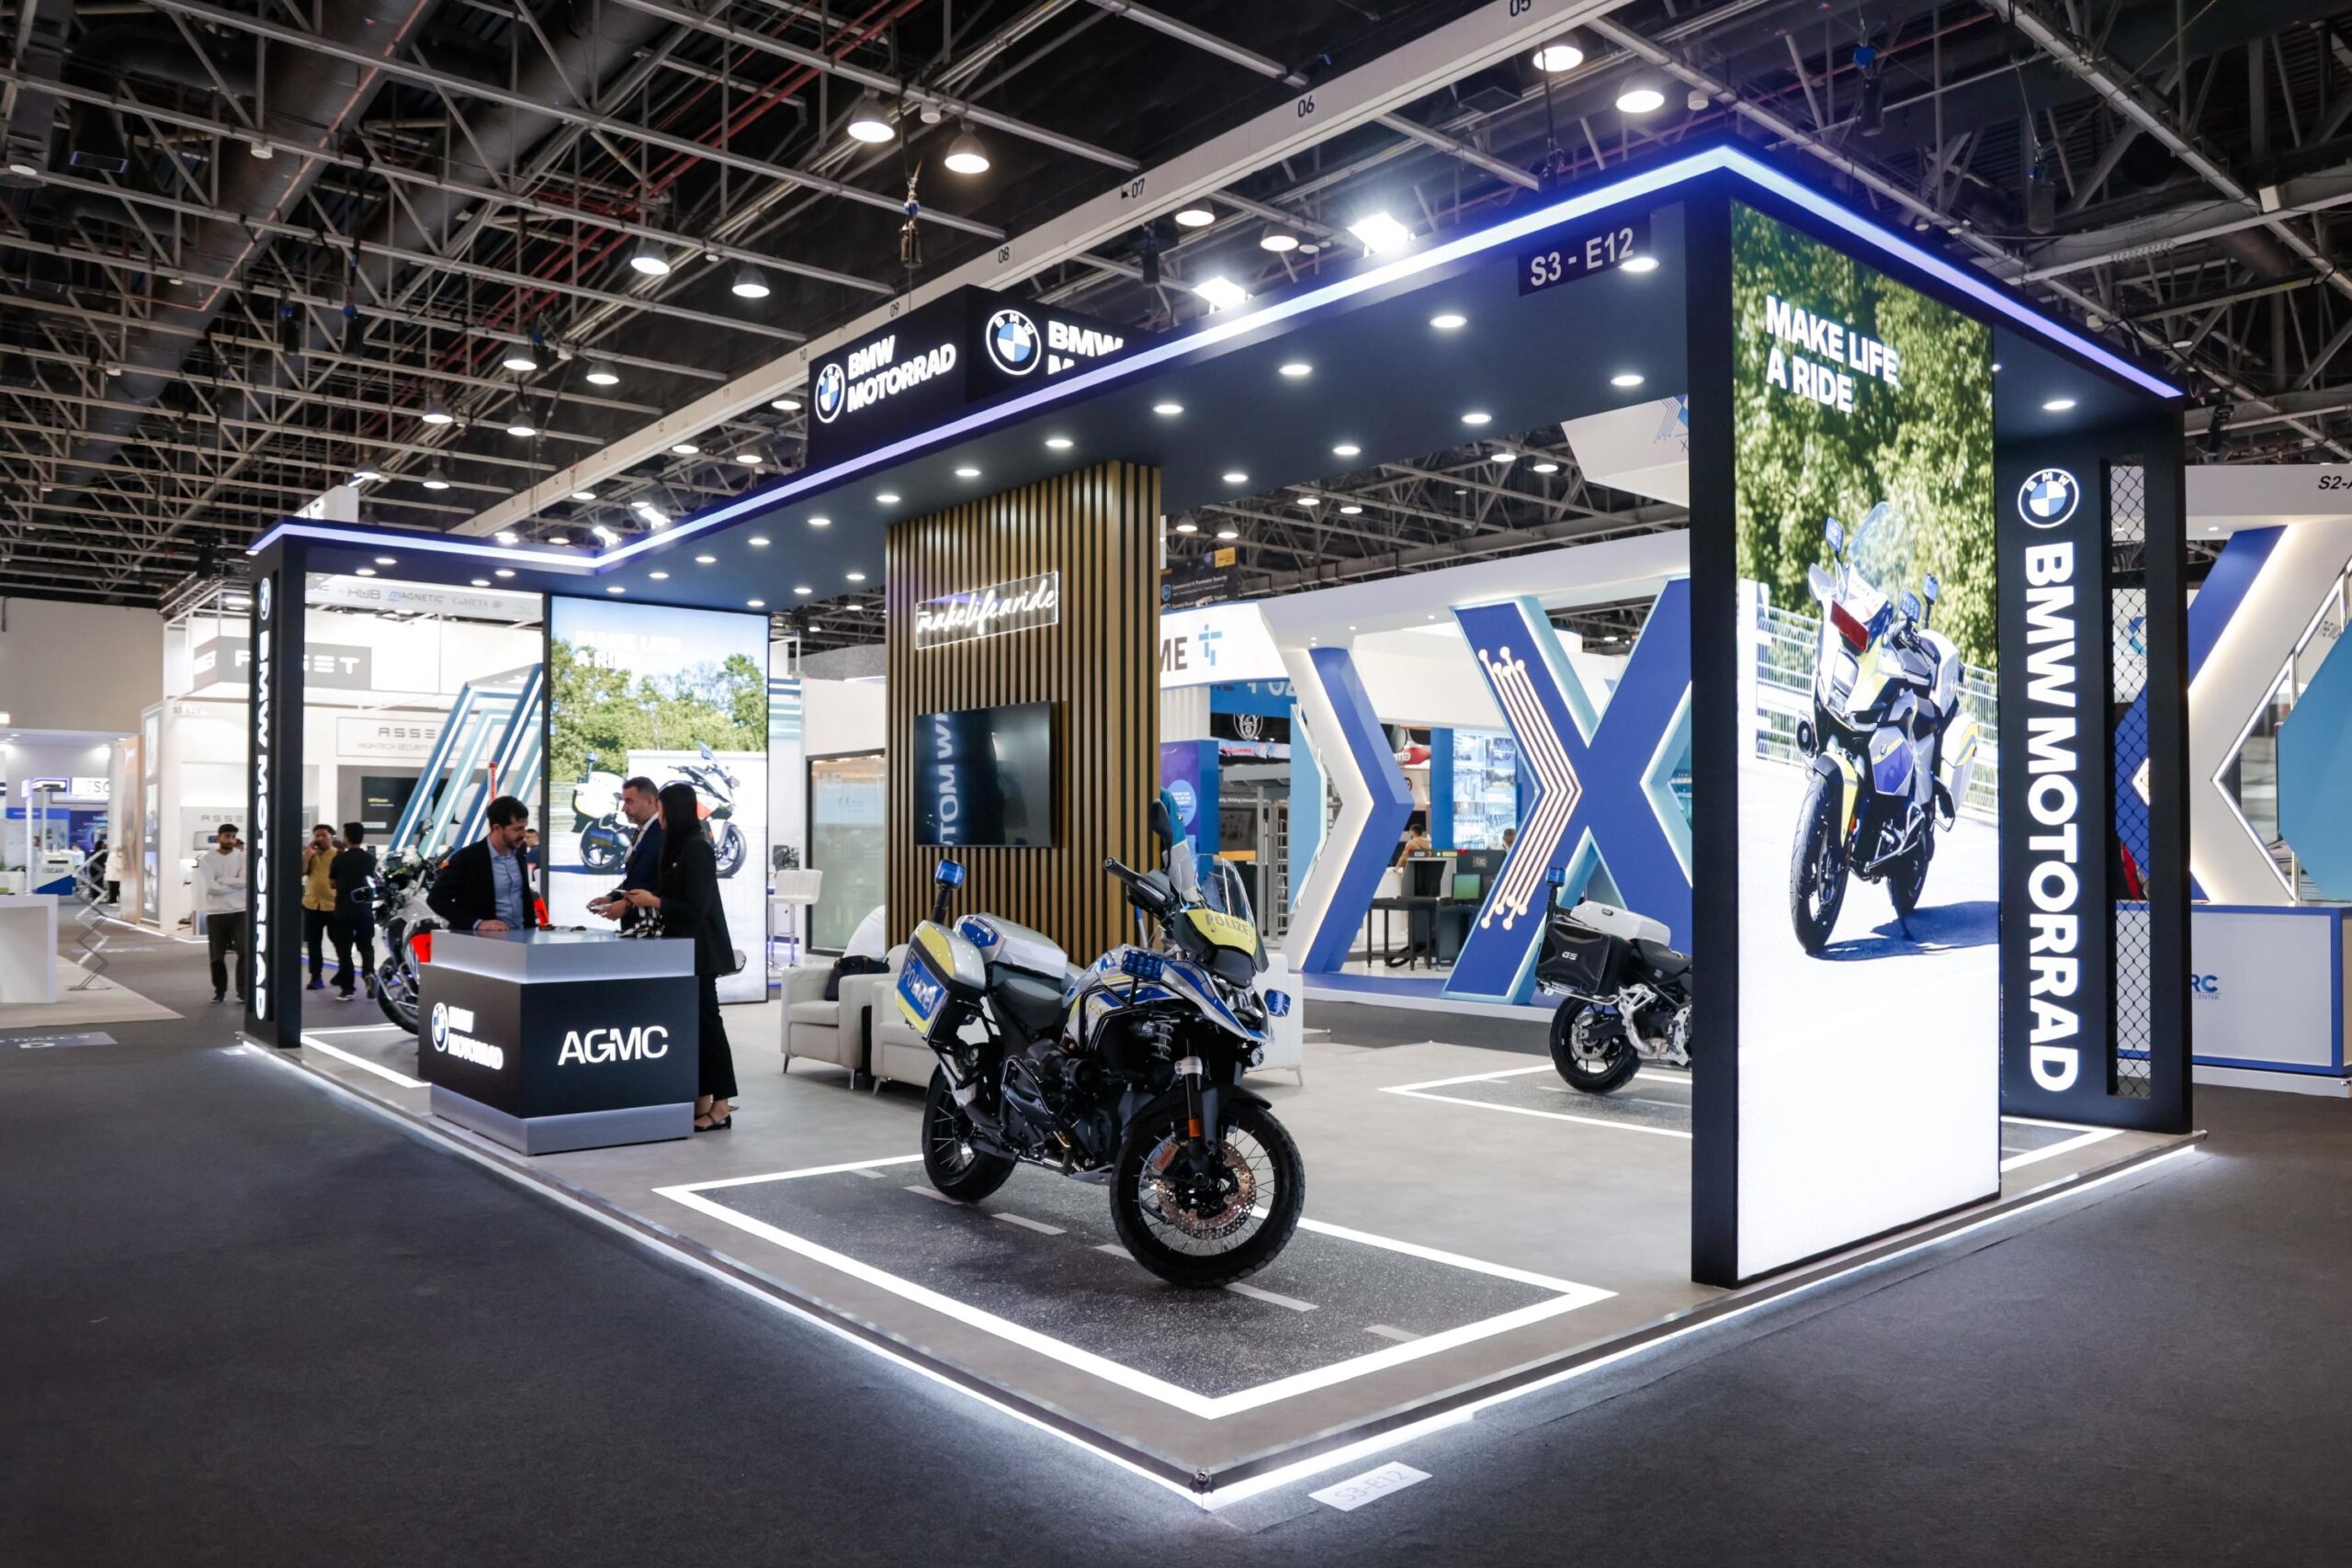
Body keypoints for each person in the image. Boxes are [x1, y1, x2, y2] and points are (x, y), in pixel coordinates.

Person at [625, 782, 738, 1132]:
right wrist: (630, 901)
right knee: (695, 1029)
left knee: (709, 1027)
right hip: (682, 952)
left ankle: (721, 1106)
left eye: (661, 809)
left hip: (701, 953)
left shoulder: (697, 849)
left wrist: (655, 902)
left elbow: (696, 907)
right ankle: (702, 1098)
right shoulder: (677, 847)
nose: (658, 815)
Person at [428, 795, 537, 933]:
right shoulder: (467, 858)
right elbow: (437, 899)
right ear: (497, 828)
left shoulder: (520, 850)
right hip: (483, 943)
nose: (523, 834)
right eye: (517, 829)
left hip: (522, 938)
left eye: (524, 828)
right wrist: (477, 923)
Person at [587, 777, 663, 930]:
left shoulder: (662, 833)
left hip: (652, 928)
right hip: (638, 928)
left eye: (629, 801)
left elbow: (659, 883)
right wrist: (611, 897)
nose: (623, 809)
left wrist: (627, 905)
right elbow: (636, 878)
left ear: (649, 801)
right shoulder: (643, 831)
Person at [193, 823, 247, 1003]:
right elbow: (211, 887)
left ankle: (244, 991)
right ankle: (220, 990)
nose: (230, 840)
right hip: (216, 912)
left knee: (245, 952)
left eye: (232, 836)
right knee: (217, 955)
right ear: (218, 838)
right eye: (226, 836)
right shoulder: (207, 859)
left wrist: (223, 881)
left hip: (240, 911)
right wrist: (234, 883)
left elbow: (246, 881)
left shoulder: (243, 857)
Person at [328, 822, 379, 1002]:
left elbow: (332, 883)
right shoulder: (371, 860)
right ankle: (369, 974)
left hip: (343, 910)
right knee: (366, 947)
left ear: (346, 838)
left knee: (344, 951)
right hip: (364, 910)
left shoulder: (339, 859)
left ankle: (348, 989)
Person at [300, 823, 337, 989]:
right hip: (312, 905)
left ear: (331, 837)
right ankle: (316, 977)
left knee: (339, 942)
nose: (320, 838)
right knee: (314, 944)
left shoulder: (339, 855)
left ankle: (343, 973)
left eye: (323, 835)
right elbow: (300, 872)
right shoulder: (310, 855)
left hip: (334, 906)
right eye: (317, 836)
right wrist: (307, 856)